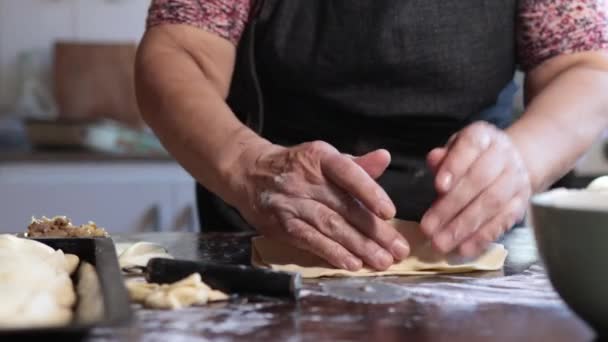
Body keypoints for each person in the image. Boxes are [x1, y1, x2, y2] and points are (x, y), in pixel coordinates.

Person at [135, 0, 608, 272]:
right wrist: (247, 165)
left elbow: (585, 67)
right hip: (266, 248)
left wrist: (522, 160)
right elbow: (179, 50)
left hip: (469, 257)